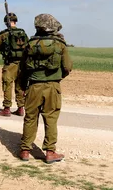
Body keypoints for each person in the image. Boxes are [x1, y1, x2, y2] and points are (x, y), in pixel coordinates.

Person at [18, 13, 73, 164]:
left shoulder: (30, 44)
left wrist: (23, 87)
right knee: (51, 119)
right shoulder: (60, 44)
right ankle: (50, 152)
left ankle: (25, 151)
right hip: (52, 87)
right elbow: (67, 67)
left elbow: (22, 69)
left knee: (30, 118)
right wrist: (56, 78)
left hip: (33, 87)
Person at [0, 12, 29, 117]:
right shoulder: (23, 33)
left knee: (7, 85)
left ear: (6, 22)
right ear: (16, 21)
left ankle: (7, 109)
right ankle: (21, 108)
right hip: (22, 63)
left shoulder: (4, 34)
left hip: (10, 64)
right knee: (20, 85)